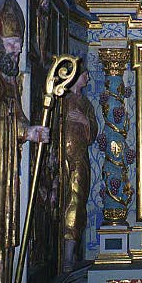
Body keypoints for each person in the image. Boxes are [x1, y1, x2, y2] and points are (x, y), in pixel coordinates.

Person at [0, 0, 49, 283]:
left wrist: (30, 132)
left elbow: (17, 120)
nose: (18, 51)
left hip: (9, 171)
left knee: (6, 236)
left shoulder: (11, 82)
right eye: (12, 45)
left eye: (19, 46)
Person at [62, 64, 98, 272]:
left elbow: (92, 133)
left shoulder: (86, 104)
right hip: (62, 158)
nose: (87, 78)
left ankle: (70, 253)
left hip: (79, 159)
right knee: (65, 201)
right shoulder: (63, 100)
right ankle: (64, 253)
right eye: (85, 74)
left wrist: (85, 121)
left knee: (77, 201)